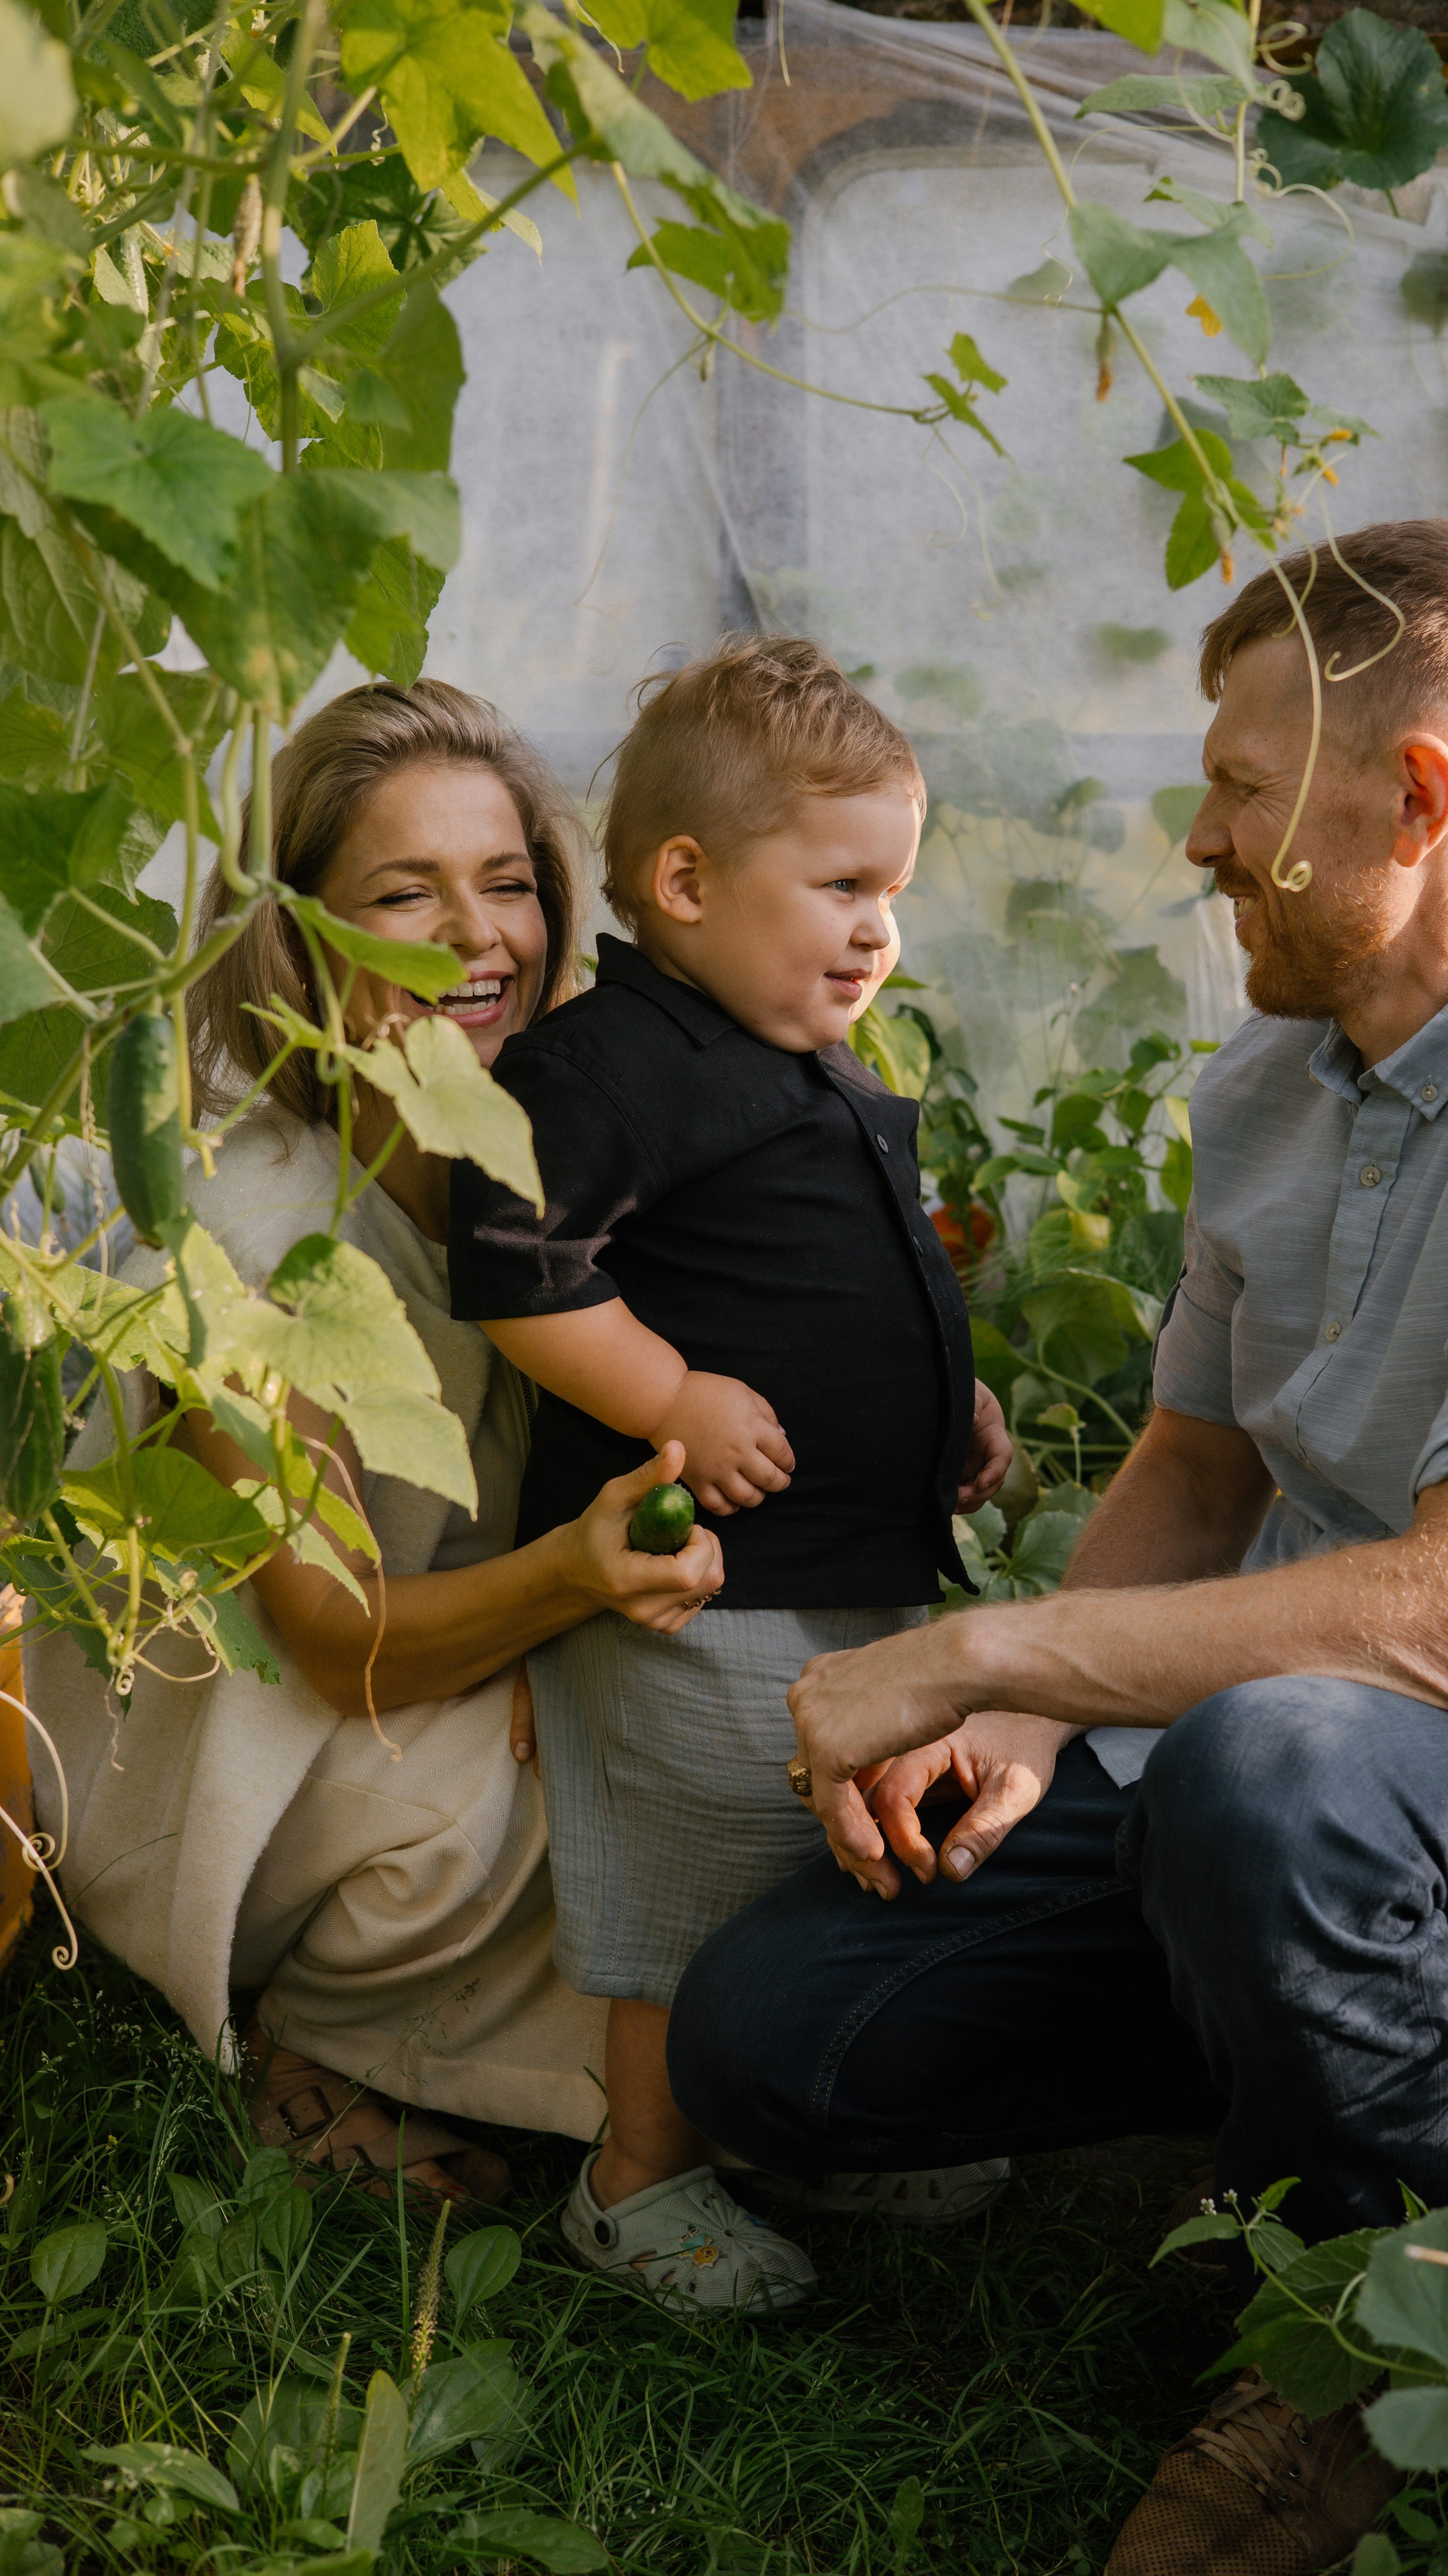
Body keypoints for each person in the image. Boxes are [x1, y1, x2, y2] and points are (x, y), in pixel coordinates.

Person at [665, 525, 1448, 2571]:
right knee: (771, 2041)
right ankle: (1334, 2054)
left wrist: (985, 1662)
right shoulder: (1268, 1085)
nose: (1198, 837)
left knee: (1278, 1768)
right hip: (1302, 1796)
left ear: (1411, 796)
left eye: (1240, 784)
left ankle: (1349, 2343)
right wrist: (1047, 1738)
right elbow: (1195, 1466)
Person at [28, 678, 723, 2203]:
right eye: (402, 895)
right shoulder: (262, 1226)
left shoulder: (541, 1155)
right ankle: (325, 2032)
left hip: (437, 1669)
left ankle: (643, 2075)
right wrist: (567, 1595)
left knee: (713, 1730)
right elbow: (330, 1641)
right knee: (601, 1801)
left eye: (507, 883)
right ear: (297, 942)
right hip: (240, 1750)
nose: (478, 938)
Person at [448, 637, 1014, 2312]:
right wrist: (669, 1390)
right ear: (683, 882)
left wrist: (951, 1406)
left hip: (845, 1569)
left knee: (823, 1871)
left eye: (891, 890)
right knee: (696, 1887)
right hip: (693, 1590)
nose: (877, 927)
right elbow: (516, 1262)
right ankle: (638, 2180)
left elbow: (862, 1278)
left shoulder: (810, 1067)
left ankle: (795, 2118)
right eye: (840, 883)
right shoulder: (607, 1063)